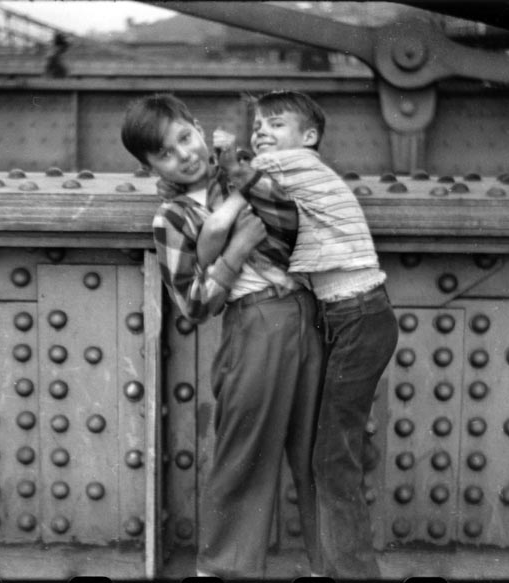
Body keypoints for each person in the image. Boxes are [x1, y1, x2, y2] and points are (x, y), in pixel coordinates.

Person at [120, 94, 324, 579]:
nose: (184, 155)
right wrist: (235, 251)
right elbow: (193, 303)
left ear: (197, 126)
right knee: (245, 451)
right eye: (166, 153)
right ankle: (223, 570)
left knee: (319, 450)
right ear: (151, 167)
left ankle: (329, 564)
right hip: (254, 323)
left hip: (307, 314)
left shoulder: (244, 170)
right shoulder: (170, 219)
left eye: (185, 138)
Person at [212, 90, 399, 579]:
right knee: (332, 453)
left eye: (275, 124)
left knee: (333, 460)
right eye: (257, 126)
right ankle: (339, 569)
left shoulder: (296, 165)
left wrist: (228, 152)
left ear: (308, 138)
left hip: (356, 317)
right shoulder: (300, 174)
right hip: (352, 317)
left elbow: (245, 178)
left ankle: (351, 575)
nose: (261, 134)